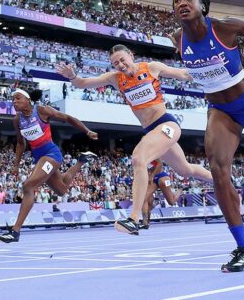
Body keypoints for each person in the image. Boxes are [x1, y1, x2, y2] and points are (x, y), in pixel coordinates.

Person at [56, 44, 212, 235]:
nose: (120, 65)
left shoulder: (151, 67)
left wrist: (206, 63)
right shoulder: (115, 78)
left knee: (139, 158)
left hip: (167, 125)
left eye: (122, 59)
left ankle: (134, 218)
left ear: (131, 55)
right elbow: (82, 83)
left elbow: (184, 75)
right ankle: (220, 179)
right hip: (153, 131)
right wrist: (72, 76)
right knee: (185, 169)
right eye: (115, 63)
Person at [172, 0, 244, 272]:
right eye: (176, 0)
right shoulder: (177, 39)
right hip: (222, 112)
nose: (181, 2)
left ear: (202, 5)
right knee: (217, 170)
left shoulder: (226, 28)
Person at [0, 88, 98, 243]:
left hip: (51, 154)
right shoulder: (17, 120)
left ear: (28, 100)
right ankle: (81, 161)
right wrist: (16, 165)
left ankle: (15, 231)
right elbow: (20, 143)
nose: (14, 102)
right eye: (13, 100)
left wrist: (86, 131)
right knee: (61, 190)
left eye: (17, 98)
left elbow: (67, 118)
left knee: (28, 186)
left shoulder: (42, 111)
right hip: (39, 158)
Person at [140, 159, 183, 229]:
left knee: (171, 202)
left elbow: (160, 164)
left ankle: (180, 190)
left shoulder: (152, 152)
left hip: (162, 177)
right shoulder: (142, 156)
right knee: (144, 198)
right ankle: (145, 222)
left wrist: (151, 176)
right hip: (153, 179)